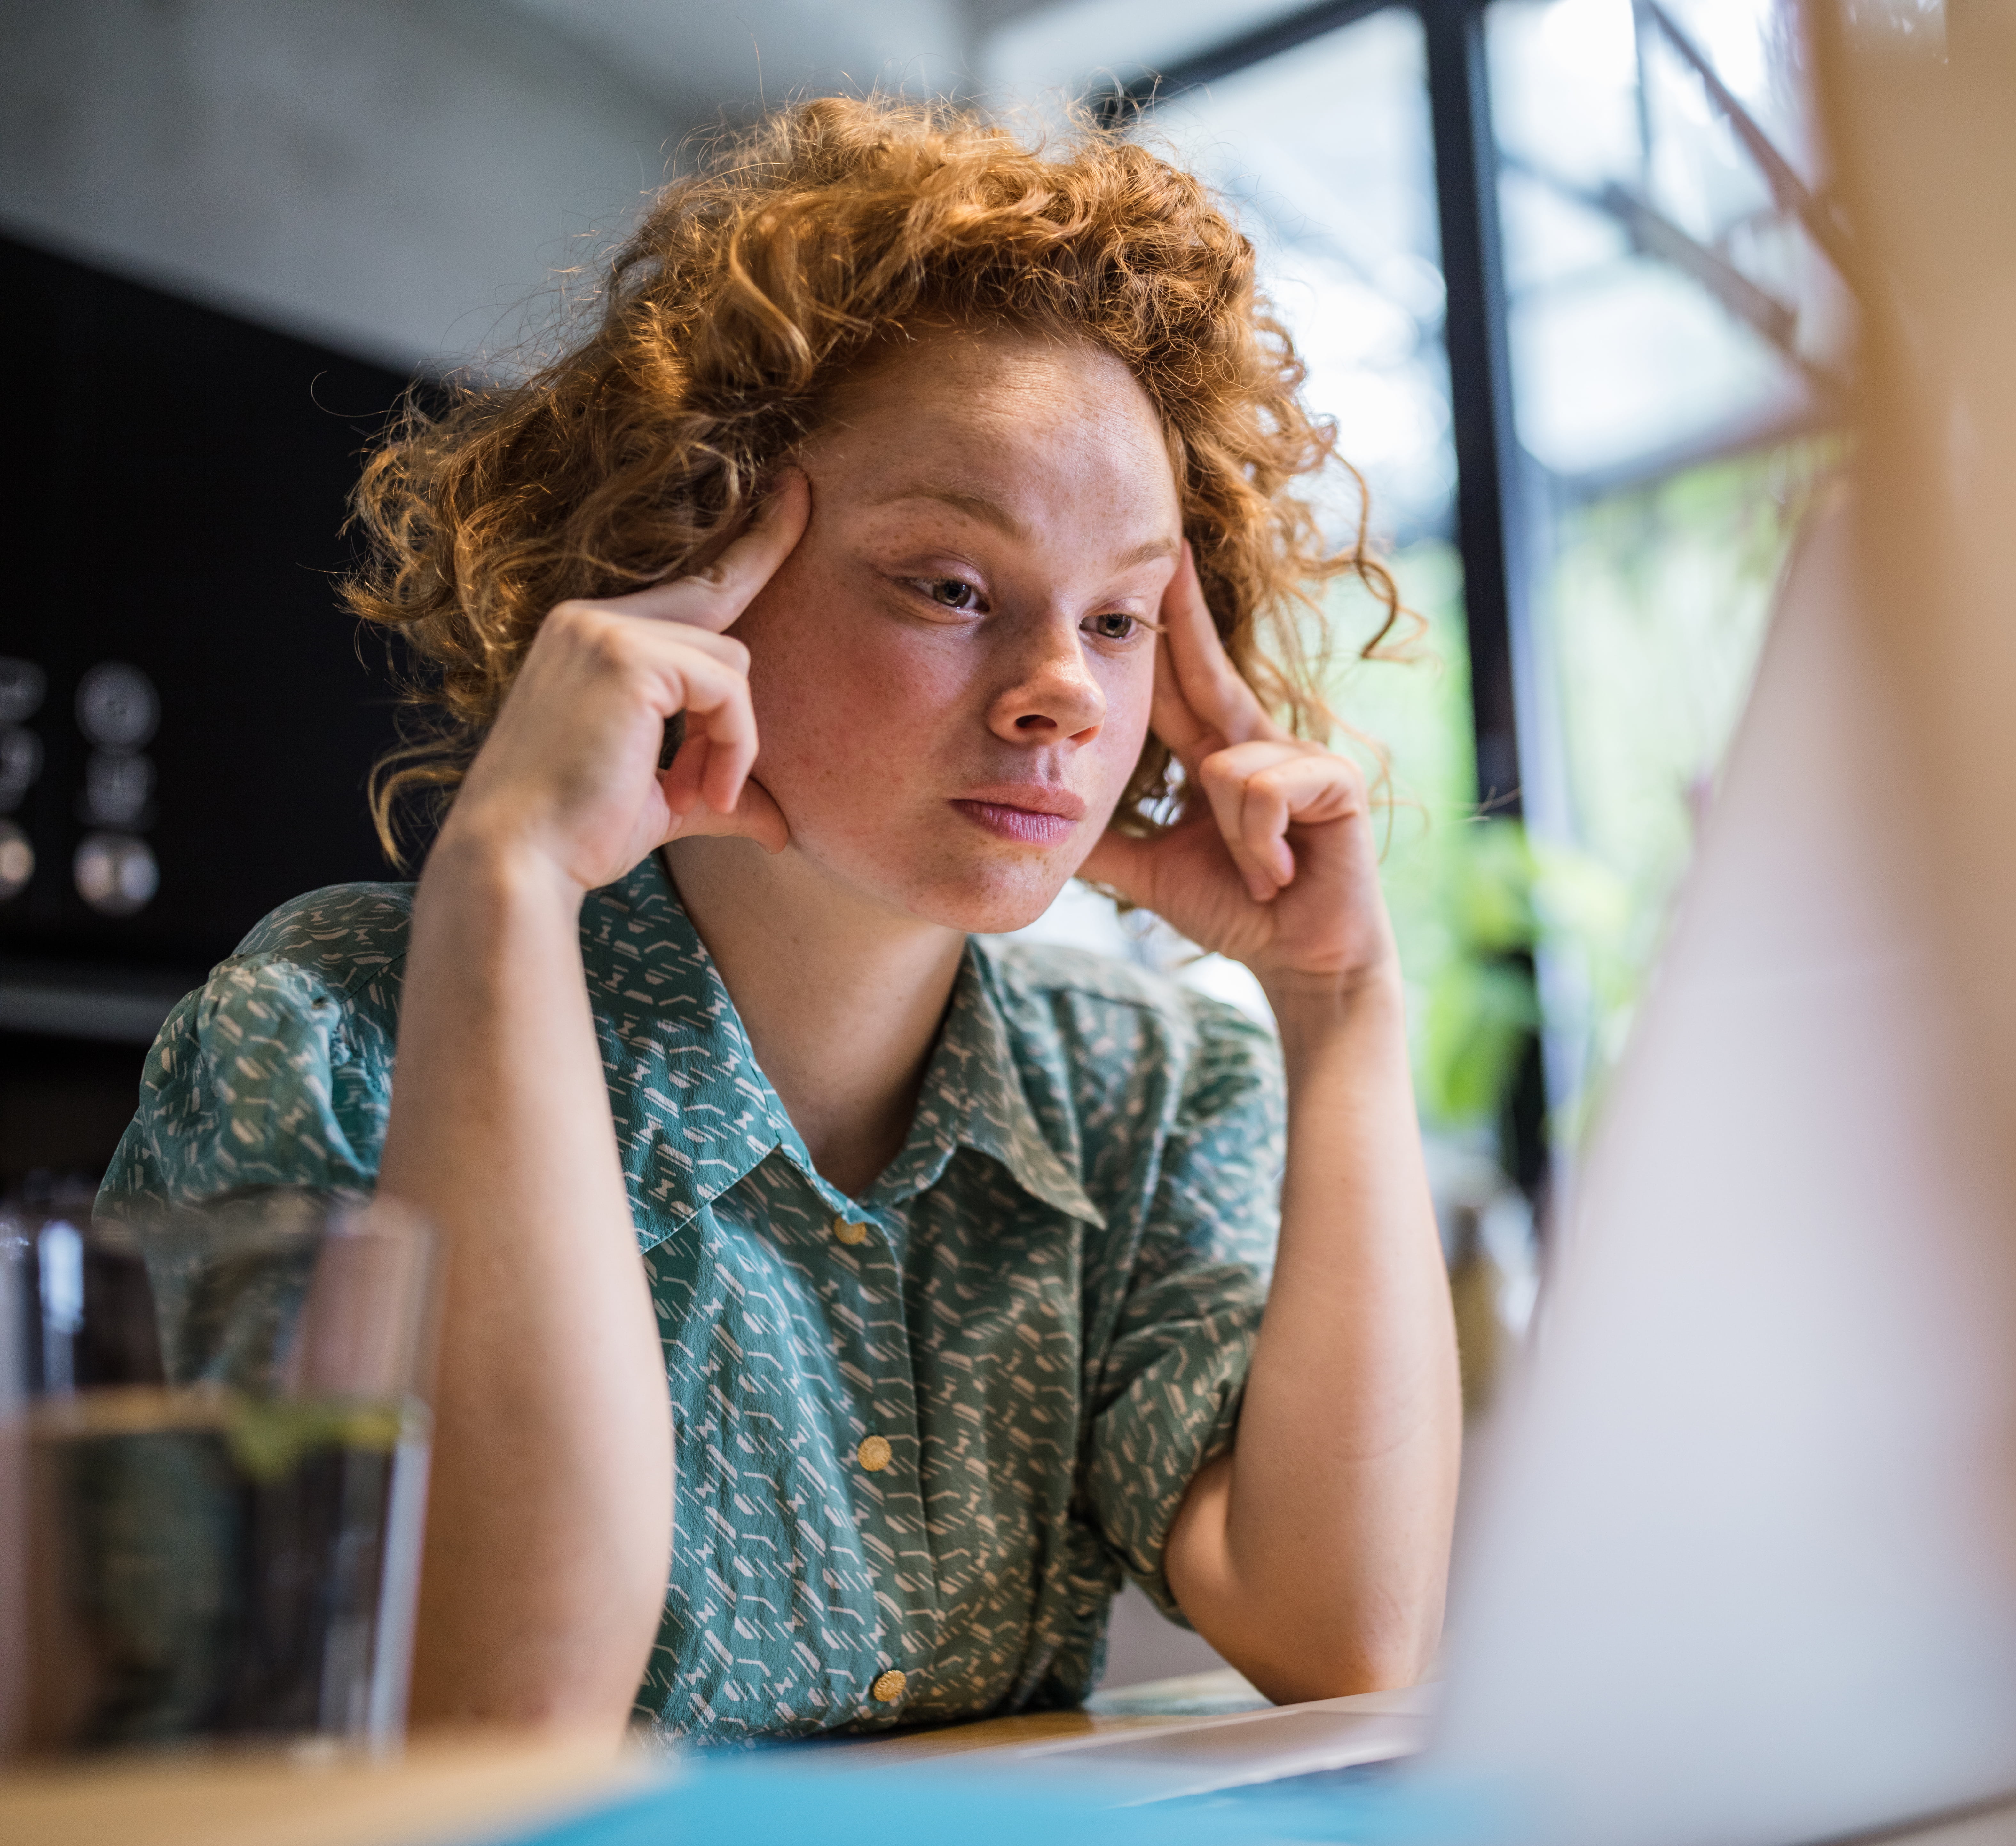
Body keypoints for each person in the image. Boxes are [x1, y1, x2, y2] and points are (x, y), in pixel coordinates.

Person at [100, 98, 1461, 1744]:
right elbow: (499, 1715)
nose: (1056, 694)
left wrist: (1343, 1002)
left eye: (1115, 617)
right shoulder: (325, 1039)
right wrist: (511, 886)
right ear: (687, 565)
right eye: (951, 588)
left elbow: (1347, 1629)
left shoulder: (1153, 1096)